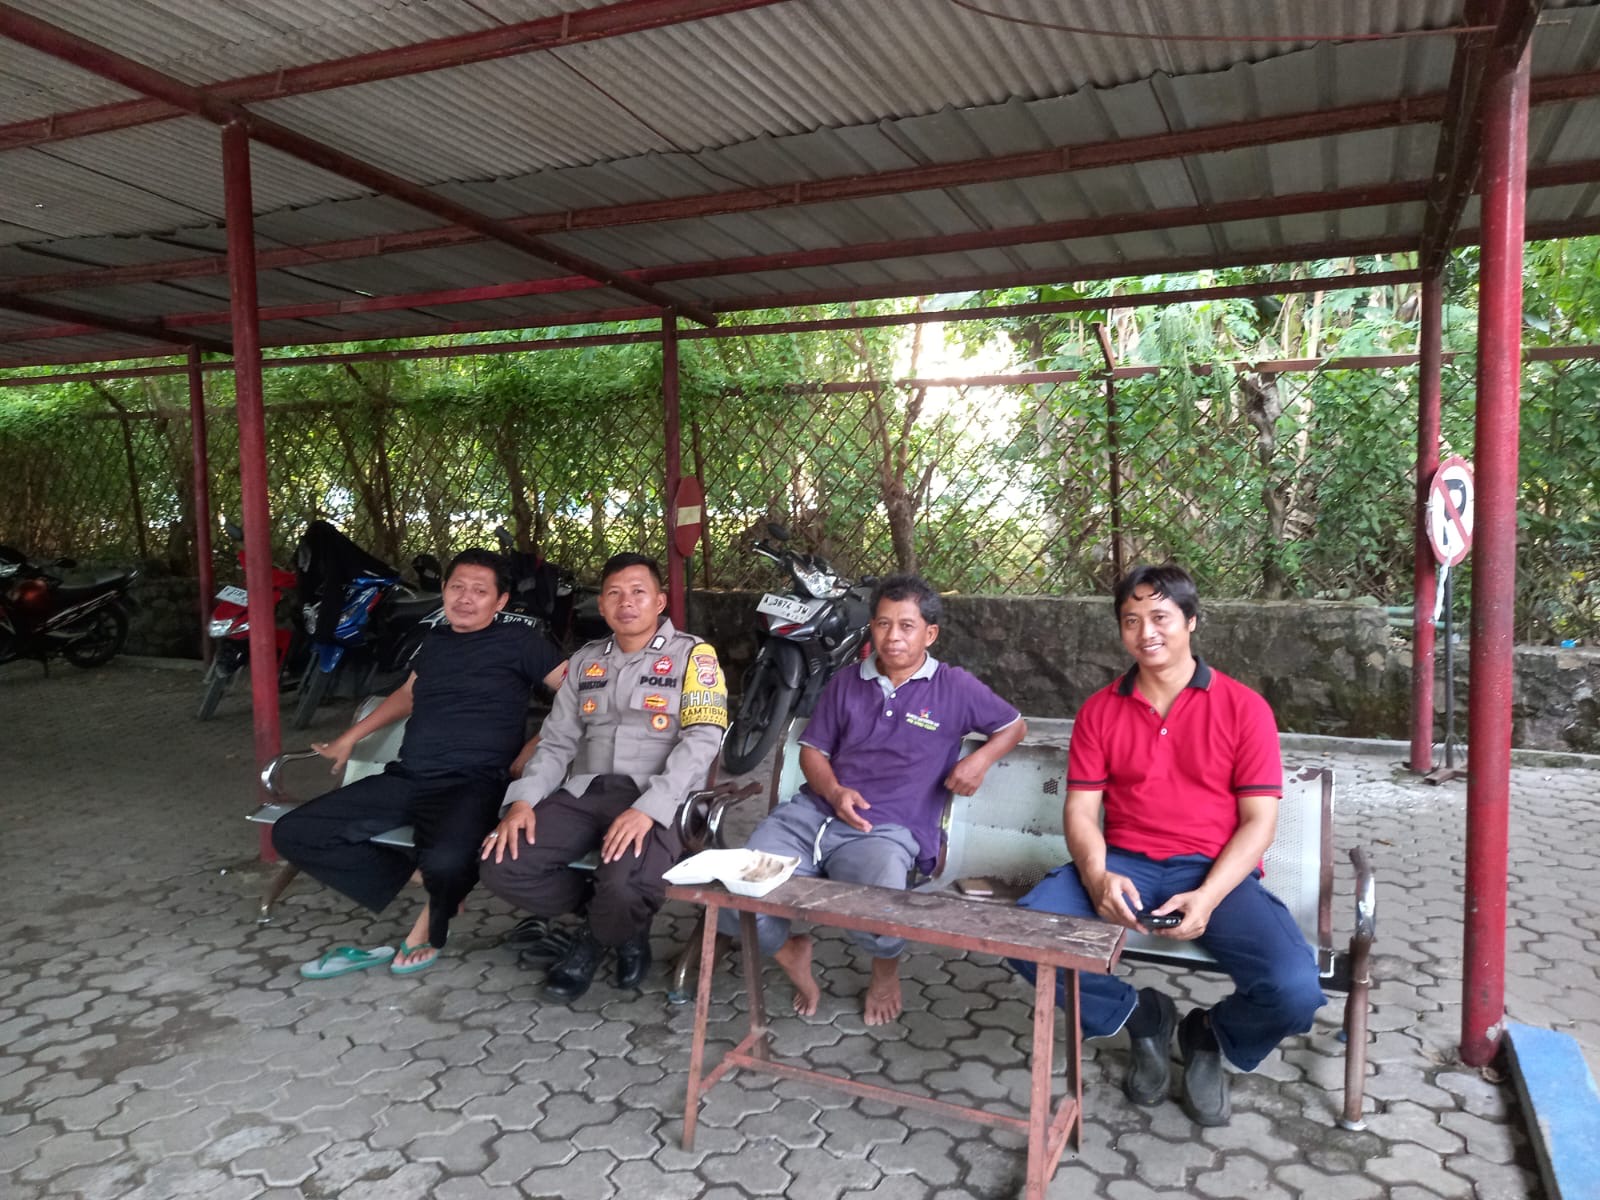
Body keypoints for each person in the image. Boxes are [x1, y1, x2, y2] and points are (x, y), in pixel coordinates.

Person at [1011, 563, 1325, 1126]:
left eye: (1160, 617)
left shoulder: (1243, 708)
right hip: (1124, 864)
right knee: (1021, 935)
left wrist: (1208, 896)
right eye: (1131, 620)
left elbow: (1259, 823)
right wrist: (1097, 876)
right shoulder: (1100, 710)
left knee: (1294, 988)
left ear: (1191, 621)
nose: (1145, 632)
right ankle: (1141, 1017)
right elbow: (1080, 811)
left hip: (1212, 874)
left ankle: (1209, 1033)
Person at [725, 574, 1026, 1025]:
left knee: (882, 909)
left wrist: (978, 761)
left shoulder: (954, 687)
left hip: (883, 831)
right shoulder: (847, 682)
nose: (893, 637)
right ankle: (790, 951)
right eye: (883, 624)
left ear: (930, 634)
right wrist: (834, 791)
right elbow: (813, 752)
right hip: (808, 818)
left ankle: (885, 972)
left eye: (907, 626)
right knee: (737, 893)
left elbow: (1013, 726)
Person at [273, 548, 566, 977]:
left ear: (500, 601)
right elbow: (408, 695)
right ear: (443, 590)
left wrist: (536, 745)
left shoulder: (522, 644)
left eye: (479, 591)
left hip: (475, 782)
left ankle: (436, 903)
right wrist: (348, 739)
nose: (465, 598)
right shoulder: (433, 641)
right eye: (457, 587)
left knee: (448, 859)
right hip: (409, 775)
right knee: (295, 833)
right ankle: (434, 884)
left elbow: (582, 697)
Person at [479, 553, 728, 1003]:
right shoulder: (585, 661)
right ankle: (622, 925)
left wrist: (648, 809)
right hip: (586, 791)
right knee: (504, 863)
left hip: (659, 793)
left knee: (624, 883)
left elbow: (703, 740)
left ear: (660, 602)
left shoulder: (694, 656)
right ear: (602, 604)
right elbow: (556, 742)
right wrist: (522, 802)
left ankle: (591, 943)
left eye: (638, 592)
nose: (625, 602)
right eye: (614, 593)